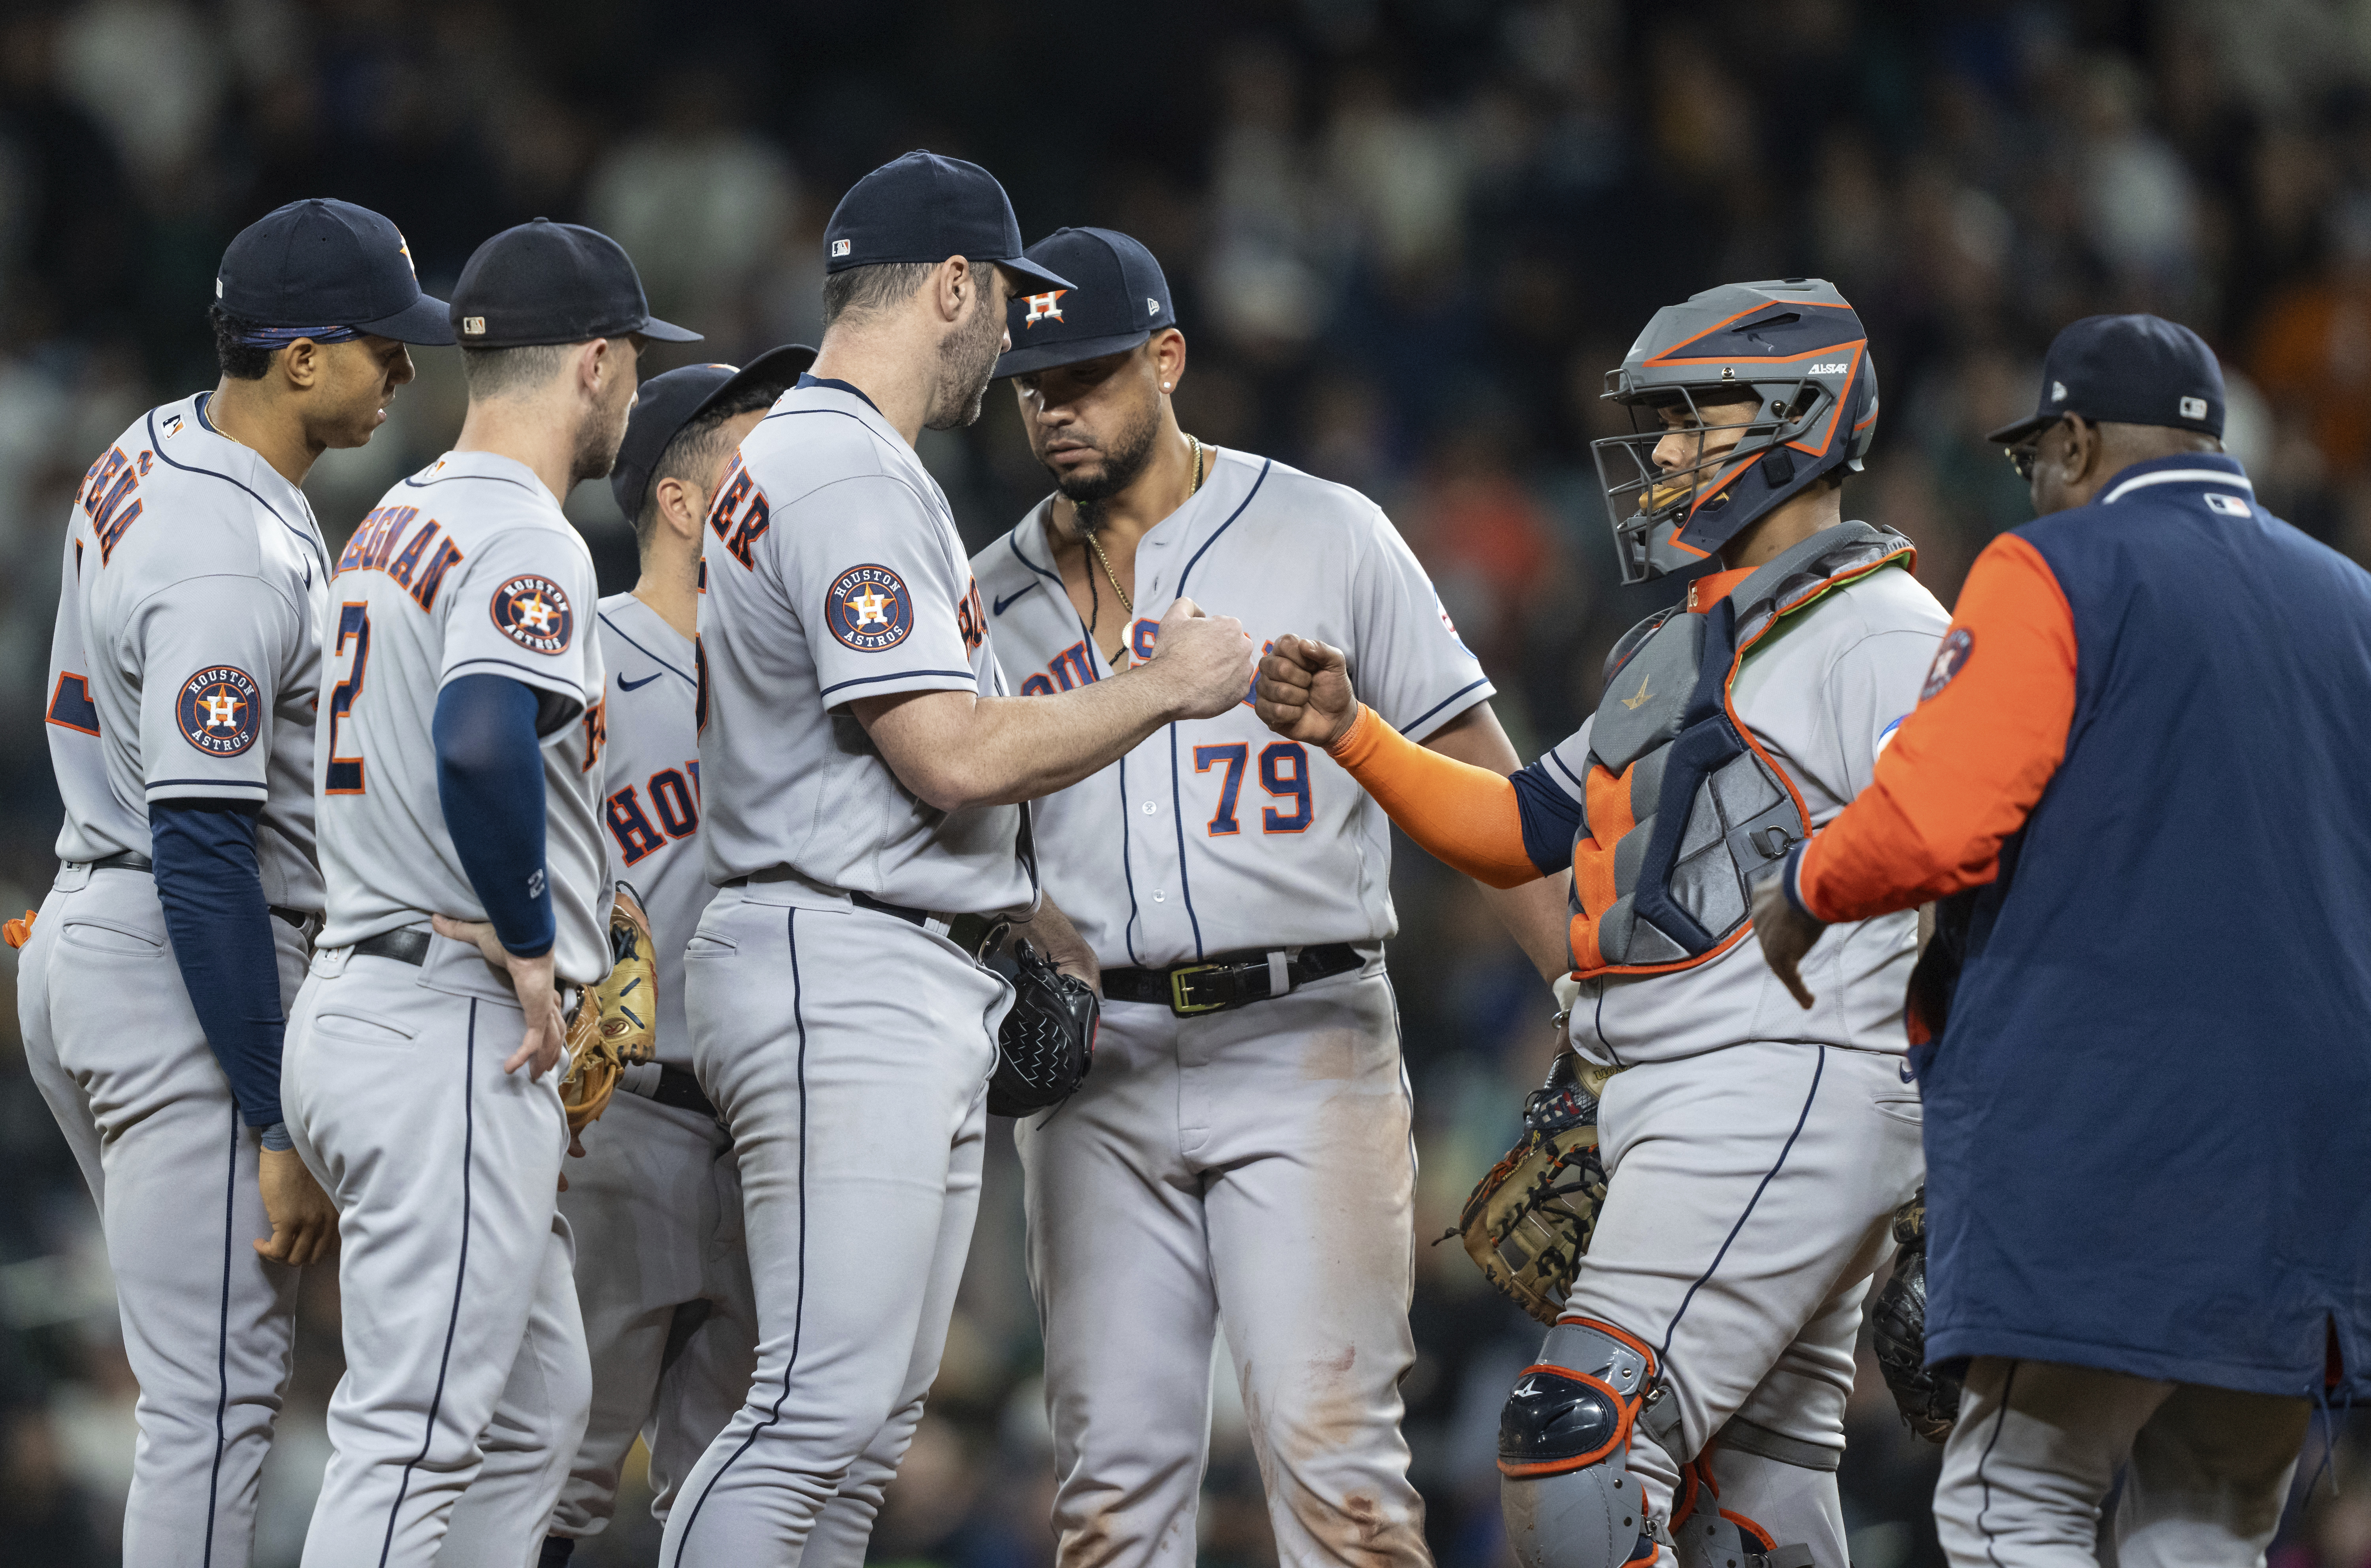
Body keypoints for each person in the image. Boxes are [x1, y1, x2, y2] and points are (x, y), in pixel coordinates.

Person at [1259, 280, 1945, 1568]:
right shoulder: (1675, 645)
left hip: (1785, 1084)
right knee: (1753, 1506)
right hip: (1686, 1096)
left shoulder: (1885, 633)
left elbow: (1972, 868)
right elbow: (1522, 826)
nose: (1669, 451)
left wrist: (1966, 1150)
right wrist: (1353, 733)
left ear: (1800, 416)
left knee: (1575, 1433)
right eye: (1664, 422)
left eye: (1695, 417)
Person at [664, 151, 1257, 1568]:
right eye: (1002, 297)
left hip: (882, 951)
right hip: (840, 961)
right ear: (948, 285)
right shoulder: (841, 472)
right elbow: (944, 752)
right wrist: (1165, 688)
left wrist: (1017, 906)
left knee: (862, 1435)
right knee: (815, 1413)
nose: (1013, 335)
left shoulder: (847, 464)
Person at [972, 224, 1570, 1568]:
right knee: (1109, 1499)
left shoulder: (1325, 531)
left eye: (1090, 375)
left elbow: (1480, 765)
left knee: (1340, 1473)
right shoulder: (989, 590)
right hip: (1095, 1071)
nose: (1059, 410)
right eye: (1036, 386)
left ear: (1170, 359)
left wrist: (1585, 996)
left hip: (1304, 1039)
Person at [1753, 313, 2371, 1568]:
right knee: (2205, 1525)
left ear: (2079, 441)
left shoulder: (2059, 568)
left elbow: (1938, 821)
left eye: (2039, 455)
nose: (2033, 483)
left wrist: (1807, 883)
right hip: (2317, 1167)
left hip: (2120, 1131)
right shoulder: (2353, 600)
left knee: (2012, 1504)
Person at [15, 196, 450, 1568]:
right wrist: (274, 1118)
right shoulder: (225, 552)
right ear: (301, 357)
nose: (407, 372)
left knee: (199, 1390)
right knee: (210, 1407)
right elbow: (204, 852)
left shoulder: (158, 440)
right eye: (386, 346)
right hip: (181, 960)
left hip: (109, 931)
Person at [284, 218, 699, 1568]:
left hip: (367, 999)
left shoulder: (394, 514)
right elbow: (479, 738)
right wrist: (533, 937)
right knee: (413, 1436)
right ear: (594, 362)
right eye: (633, 363)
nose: (634, 393)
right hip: (446, 1022)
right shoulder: (528, 535)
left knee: (536, 1413)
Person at [539, 343, 814, 1567]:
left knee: (744, 1498)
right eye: (762, 456)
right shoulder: (574, 660)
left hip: (777, 1132)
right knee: (547, 1477)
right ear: (685, 501)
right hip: (618, 1120)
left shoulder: (823, 676)